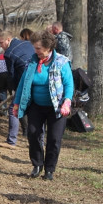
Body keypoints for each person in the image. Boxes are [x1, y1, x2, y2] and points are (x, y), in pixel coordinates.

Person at [13, 30, 74, 181]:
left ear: (48, 47)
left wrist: (67, 101)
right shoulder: (31, 62)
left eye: (38, 48)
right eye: (35, 48)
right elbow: (23, 84)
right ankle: (37, 164)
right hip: (36, 105)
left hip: (57, 107)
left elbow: (69, 84)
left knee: (54, 139)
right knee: (32, 133)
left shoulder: (61, 62)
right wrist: (16, 104)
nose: (35, 51)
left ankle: (49, 169)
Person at [0, 31, 35, 148]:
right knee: (35, 110)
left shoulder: (9, 53)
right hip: (37, 78)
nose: (0, 45)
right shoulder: (27, 43)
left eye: (1, 43)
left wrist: (13, 90)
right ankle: (38, 141)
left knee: (13, 109)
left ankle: (11, 141)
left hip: (26, 81)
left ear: (8, 39)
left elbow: (11, 74)